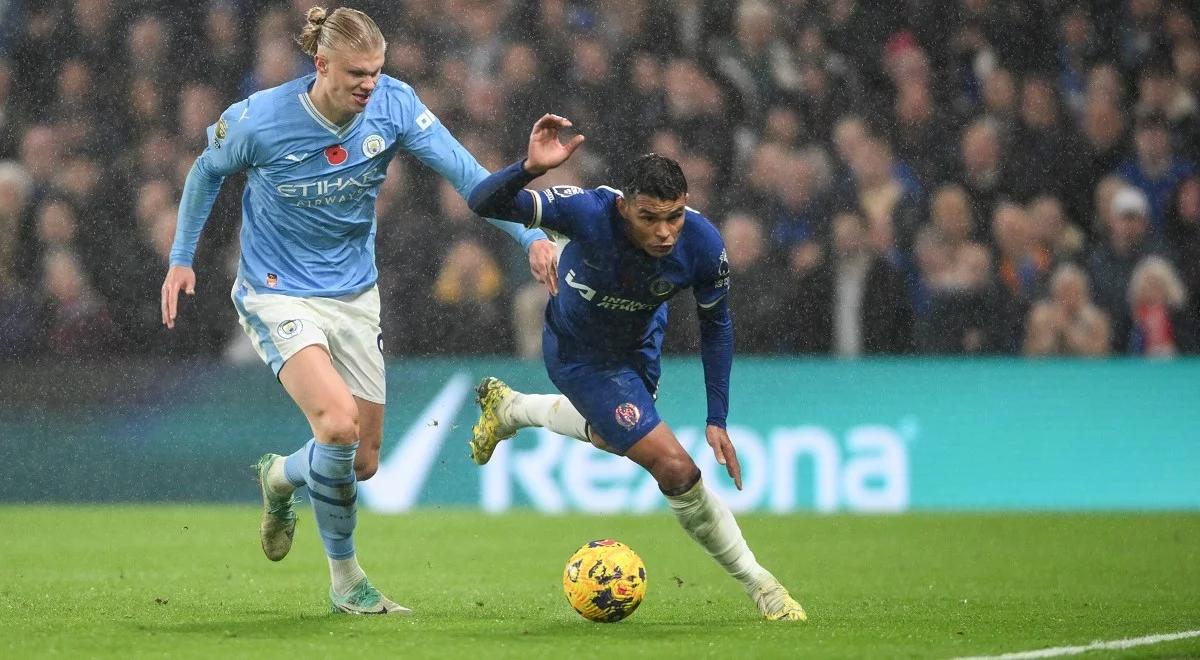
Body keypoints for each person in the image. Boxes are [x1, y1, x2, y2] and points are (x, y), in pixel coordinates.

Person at [159, 7, 557, 615]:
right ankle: (347, 581)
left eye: (376, 71)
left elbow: (470, 179)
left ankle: (280, 477)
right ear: (320, 65)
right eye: (356, 74)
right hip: (276, 290)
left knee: (362, 462)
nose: (369, 84)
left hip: (354, 295)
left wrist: (532, 237)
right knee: (338, 427)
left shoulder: (395, 105)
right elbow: (205, 171)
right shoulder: (261, 118)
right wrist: (181, 256)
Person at [464, 114, 807, 622]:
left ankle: (511, 408)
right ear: (625, 207)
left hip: (639, 350)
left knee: (609, 437)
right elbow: (483, 202)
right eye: (650, 218)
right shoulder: (588, 212)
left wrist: (718, 417)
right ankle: (763, 585)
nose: (665, 232)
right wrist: (528, 168)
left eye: (675, 216)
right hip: (578, 354)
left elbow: (717, 327)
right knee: (676, 468)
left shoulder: (704, 246)